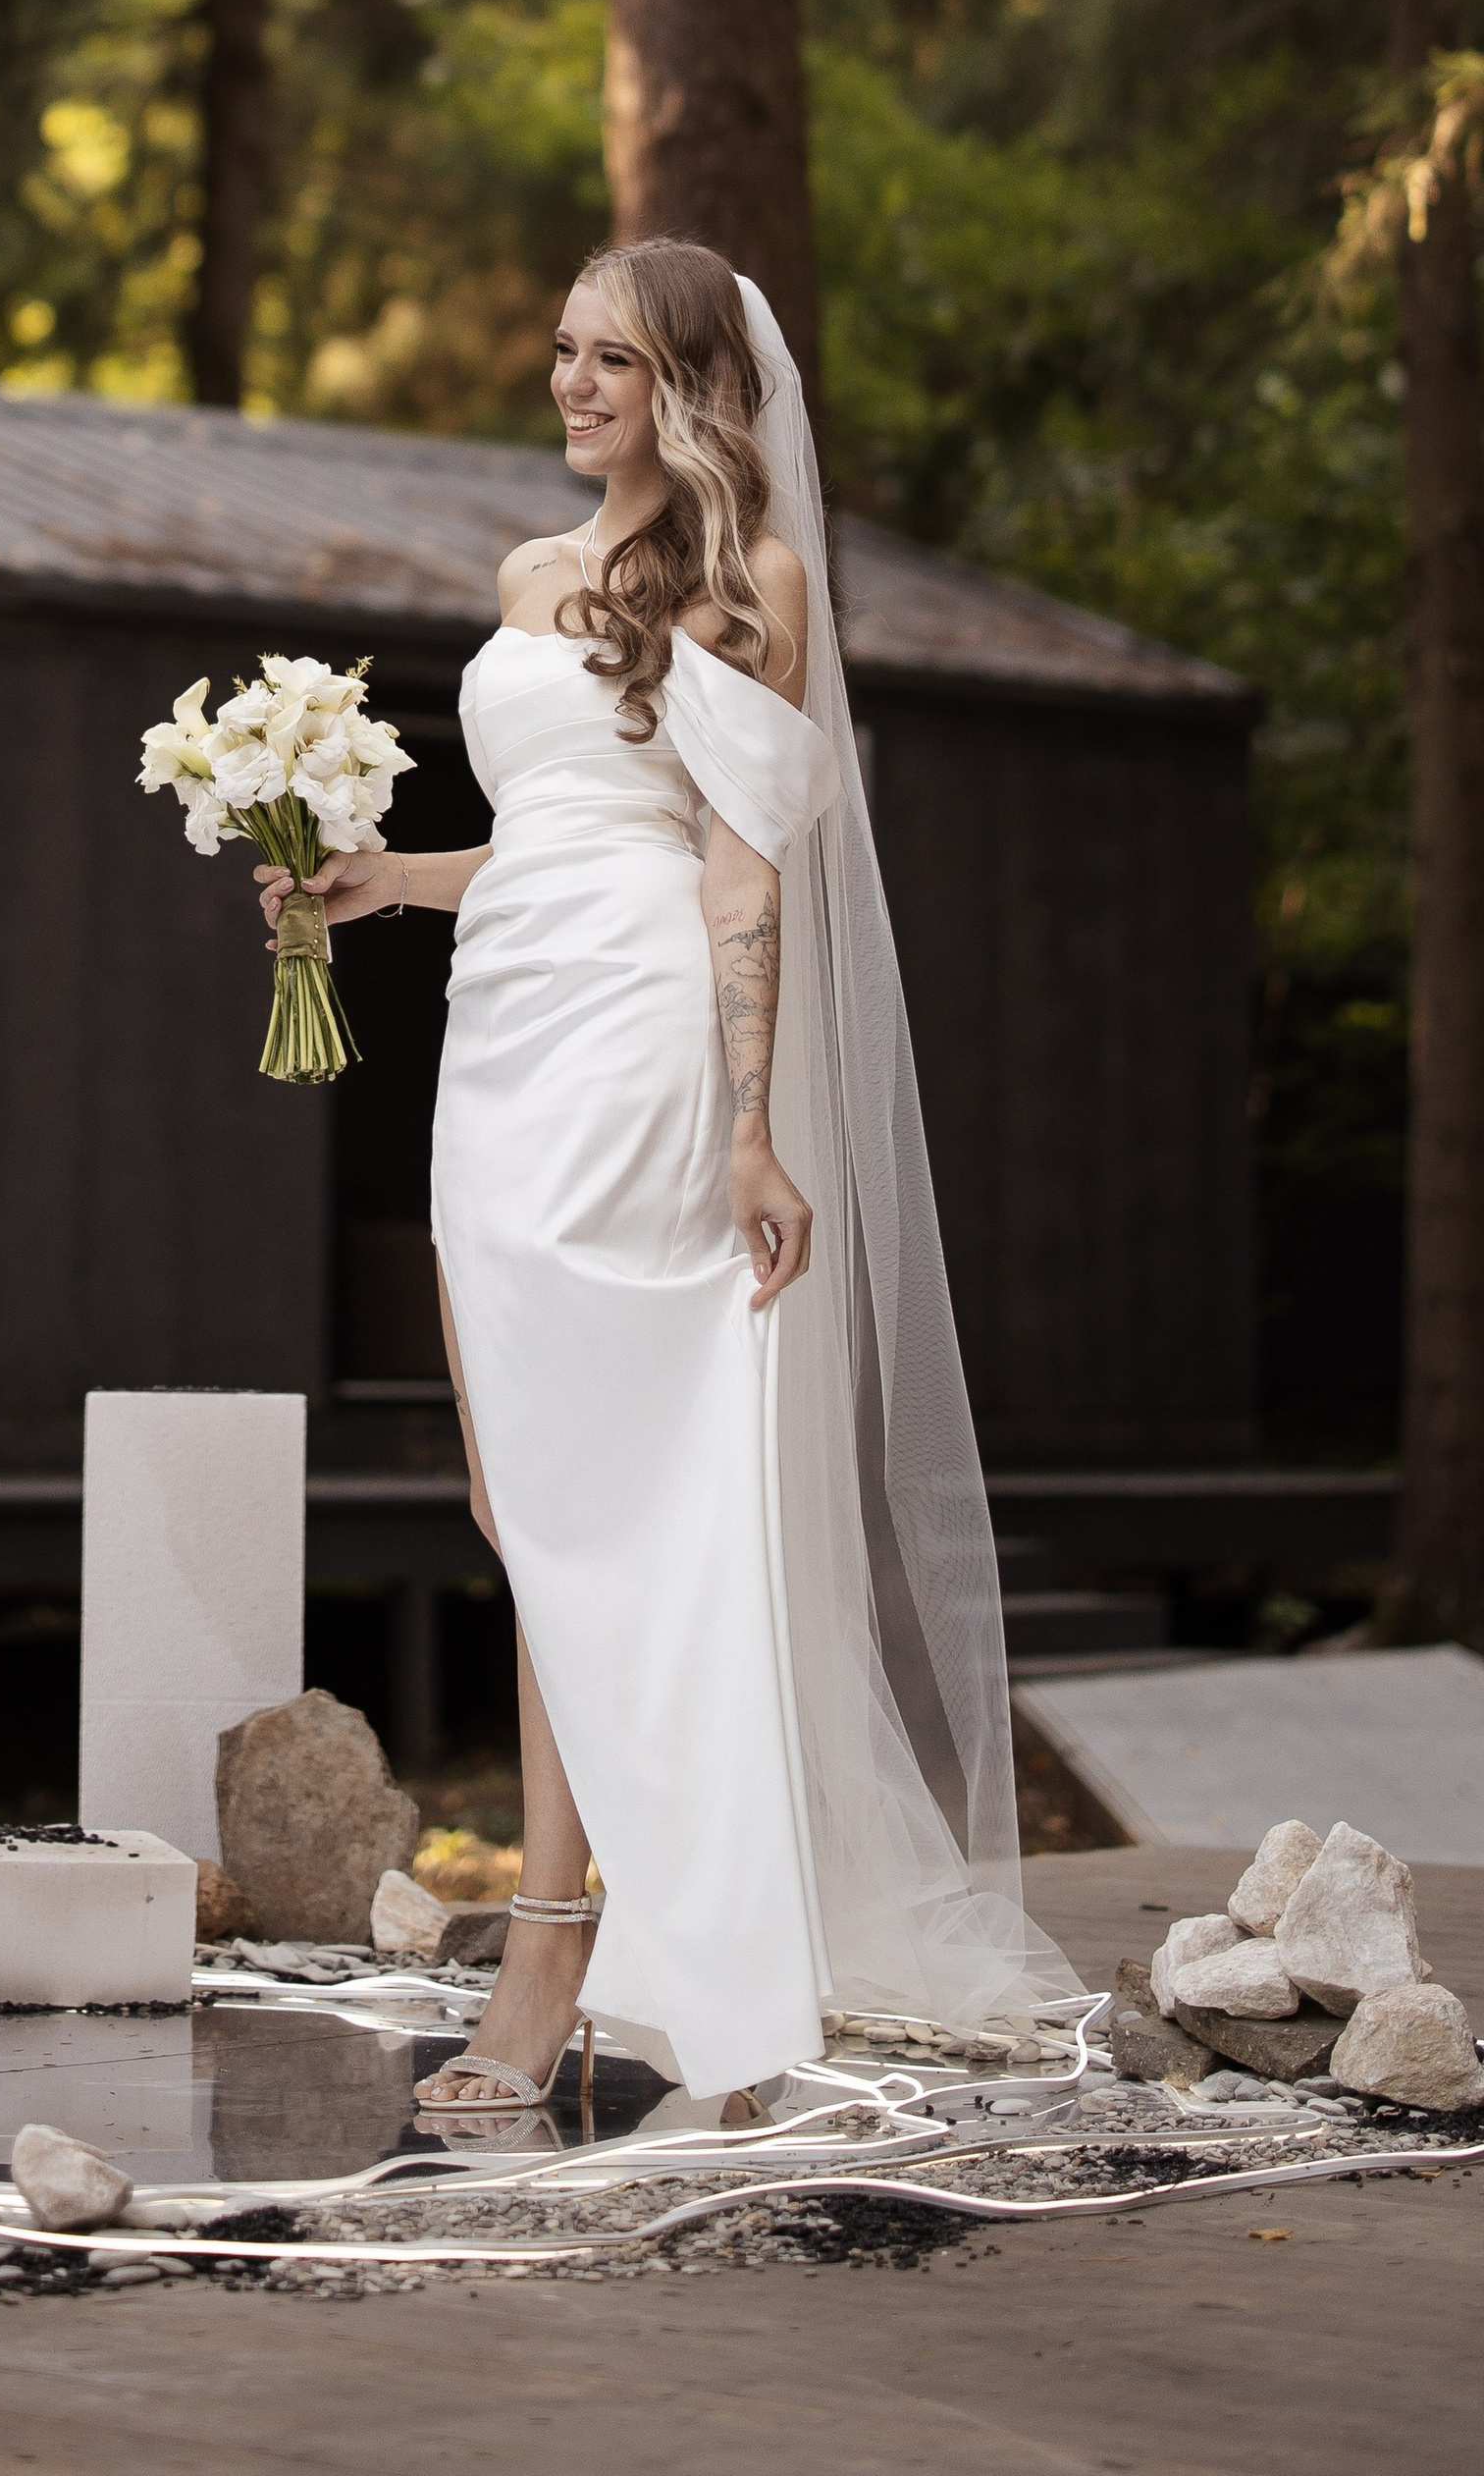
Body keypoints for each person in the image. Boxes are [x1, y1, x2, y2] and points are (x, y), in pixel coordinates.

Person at [259, 239, 1073, 2117]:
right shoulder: (525, 575)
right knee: (514, 1495)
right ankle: (588, 1919)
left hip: (642, 1040)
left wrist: (751, 1120)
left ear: (692, 386)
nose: (572, 384)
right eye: (562, 350)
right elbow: (550, 831)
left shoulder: (749, 579)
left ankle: (562, 1946)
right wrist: (382, 882)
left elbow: (731, 860)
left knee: (606, 1497)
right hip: (499, 1031)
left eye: (614, 359)